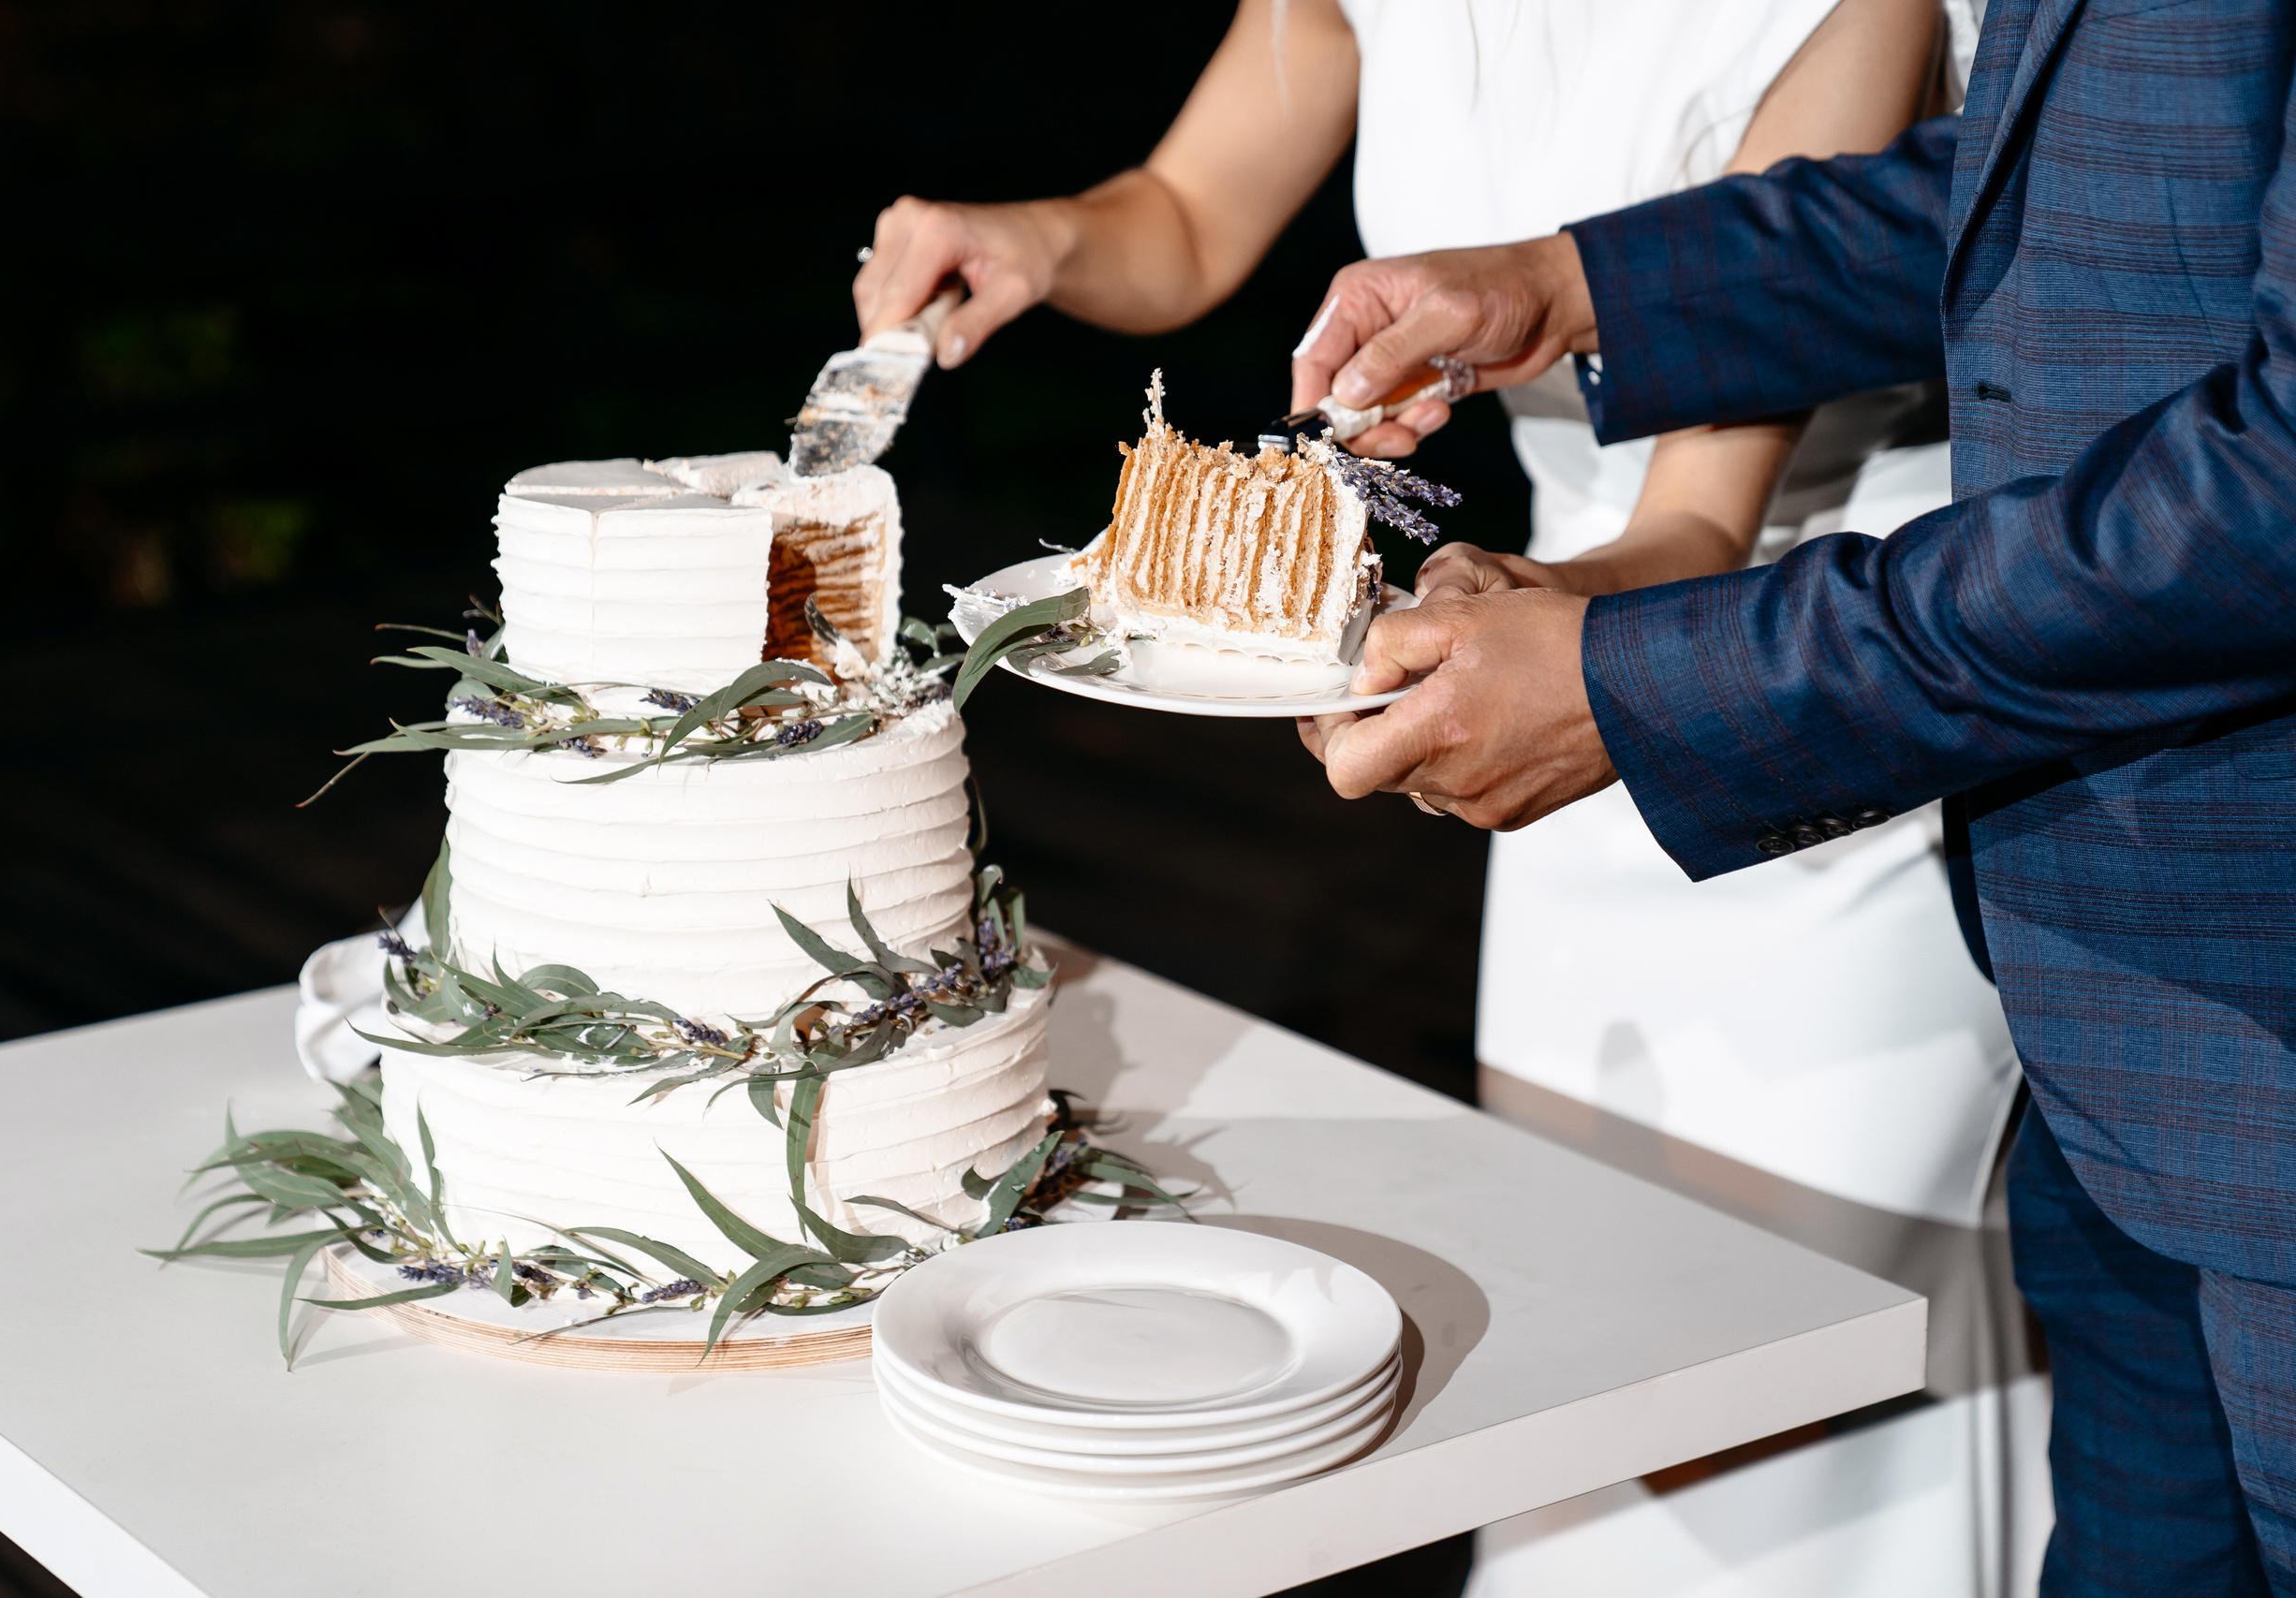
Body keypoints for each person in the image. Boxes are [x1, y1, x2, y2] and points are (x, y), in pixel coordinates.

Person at [863, 3, 2043, 1593]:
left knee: (1776, 1372)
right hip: (1555, 722)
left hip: (1807, 701)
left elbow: (1690, 534)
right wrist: (1040, 238)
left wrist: (1500, 621)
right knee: (1577, 1345)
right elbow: (1189, 219)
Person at [1293, 0, 2296, 1589]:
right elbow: (2036, 188)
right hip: (2111, 1014)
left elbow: (2268, 497)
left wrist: (1646, 680)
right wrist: (1568, 286)